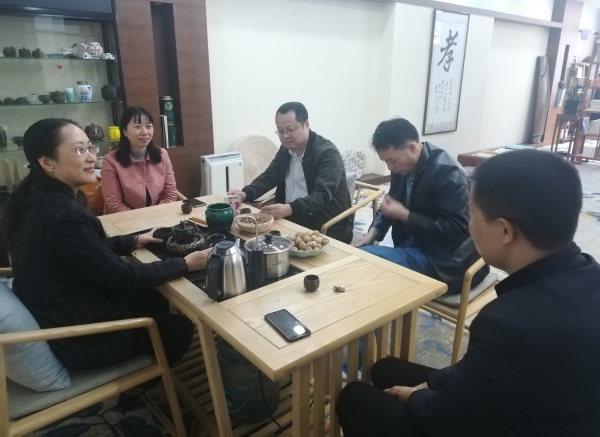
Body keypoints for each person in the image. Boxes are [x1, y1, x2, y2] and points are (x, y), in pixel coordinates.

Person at [336, 150, 600, 436]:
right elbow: (481, 369)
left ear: (505, 231)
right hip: (533, 398)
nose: (469, 228)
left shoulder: (507, 321)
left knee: (354, 398)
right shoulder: (587, 272)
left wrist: (415, 397)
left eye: (472, 217)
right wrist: (431, 385)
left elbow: (449, 419)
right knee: (385, 369)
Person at [1, 118, 210, 369]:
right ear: (47, 162)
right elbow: (123, 277)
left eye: (90, 147)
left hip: (58, 311)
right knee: (180, 328)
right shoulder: (63, 215)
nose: (91, 157)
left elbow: (85, 251)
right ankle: (146, 380)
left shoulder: (32, 198)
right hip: (79, 338)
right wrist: (186, 264)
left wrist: (134, 239)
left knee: (153, 295)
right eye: (79, 150)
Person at [354, 118, 486, 294]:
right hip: (413, 243)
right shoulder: (403, 166)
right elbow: (390, 205)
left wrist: (405, 215)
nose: (389, 167)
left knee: (368, 262)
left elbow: (456, 229)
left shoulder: (447, 172)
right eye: (385, 162)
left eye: (391, 160)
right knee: (360, 256)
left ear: (411, 148)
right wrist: (373, 233)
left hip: (445, 259)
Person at [228, 102, 353, 243]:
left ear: (306, 124)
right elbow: (270, 176)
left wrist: (289, 209)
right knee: (244, 237)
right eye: (280, 131)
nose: (285, 136)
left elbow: (322, 195)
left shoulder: (327, 153)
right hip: (291, 216)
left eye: (290, 129)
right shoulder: (285, 149)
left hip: (323, 222)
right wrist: (245, 193)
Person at [102, 106, 178, 214]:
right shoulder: (110, 160)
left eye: (148, 126)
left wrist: (157, 216)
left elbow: (170, 193)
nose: (145, 132)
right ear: (125, 131)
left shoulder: (162, 155)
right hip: (124, 219)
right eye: (138, 127)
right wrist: (141, 219)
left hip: (160, 216)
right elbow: (114, 203)